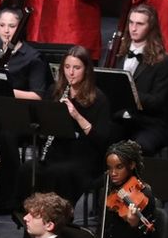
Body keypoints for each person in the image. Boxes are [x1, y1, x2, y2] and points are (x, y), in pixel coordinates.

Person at [0, 8, 53, 214]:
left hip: (18, 116)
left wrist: (6, 91)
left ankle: (6, 200)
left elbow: (38, 96)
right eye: (2, 25)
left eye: (11, 26)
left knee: (7, 138)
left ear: (20, 28)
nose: (6, 31)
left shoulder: (32, 57)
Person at [36, 45, 112, 209]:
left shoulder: (99, 99)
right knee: (29, 170)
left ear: (86, 70)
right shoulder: (54, 91)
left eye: (77, 68)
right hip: (57, 152)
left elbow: (102, 140)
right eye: (67, 67)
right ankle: (33, 217)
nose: (71, 73)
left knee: (60, 173)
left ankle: (58, 217)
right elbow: (43, 126)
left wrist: (77, 116)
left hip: (84, 157)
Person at [111, 7, 168, 155]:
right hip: (121, 118)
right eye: (131, 23)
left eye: (139, 24)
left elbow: (157, 102)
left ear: (150, 27)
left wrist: (128, 92)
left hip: (149, 123)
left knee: (136, 149)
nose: (133, 28)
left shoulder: (164, 61)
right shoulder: (117, 52)